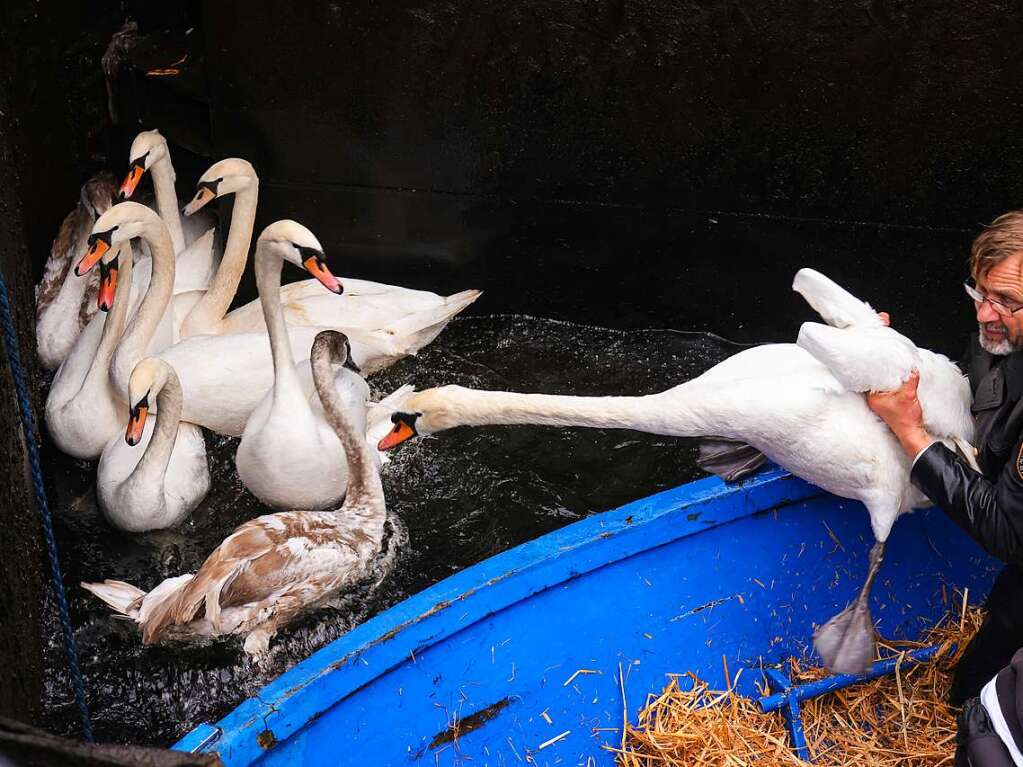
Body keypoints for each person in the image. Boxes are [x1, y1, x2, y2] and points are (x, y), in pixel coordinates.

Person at [868, 210, 1023, 710]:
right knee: (969, 690)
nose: (983, 314)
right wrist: (892, 354)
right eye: (980, 293)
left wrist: (911, 433)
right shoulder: (1004, 337)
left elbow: (1009, 532)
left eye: (1006, 302)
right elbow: (975, 386)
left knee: (985, 710)